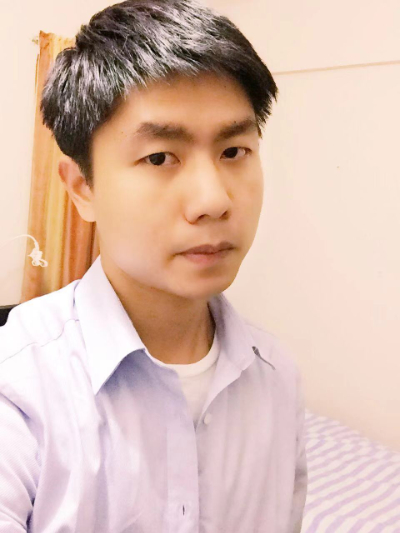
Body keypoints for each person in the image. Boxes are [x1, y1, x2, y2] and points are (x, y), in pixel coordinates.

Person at [0, 0, 308, 531]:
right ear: (82, 188)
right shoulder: (18, 389)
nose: (213, 200)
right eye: (160, 158)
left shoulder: (276, 379)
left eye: (234, 151)